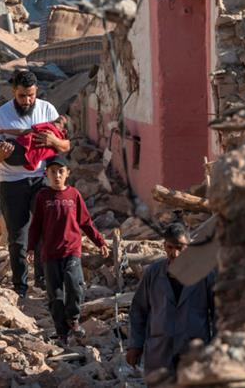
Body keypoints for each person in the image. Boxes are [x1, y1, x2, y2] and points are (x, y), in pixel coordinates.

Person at [0, 70, 70, 298]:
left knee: (47, 230)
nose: (27, 101)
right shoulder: (1, 116)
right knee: (17, 238)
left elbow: (65, 146)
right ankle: (20, 287)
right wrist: (1, 155)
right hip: (12, 182)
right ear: (13, 92)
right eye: (22, 96)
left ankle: (45, 282)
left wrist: (53, 140)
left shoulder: (47, 110)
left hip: (41, 179)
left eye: (31, 95)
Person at [27, 156, 109, 346]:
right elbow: (36, 226)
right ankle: (61, 332)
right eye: (53, 172)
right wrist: (30, 248)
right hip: (50, 254)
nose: (57, 175)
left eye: (61, 171)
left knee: (74, 284)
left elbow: (85, 222)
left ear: (67, 174)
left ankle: (73, 319)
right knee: (55, 296)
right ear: (46, 174)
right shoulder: (43, 197)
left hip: (71, 250)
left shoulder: (74, 195)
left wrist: (100, 242)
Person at [126, 222, 216, 380]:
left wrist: (217, 346)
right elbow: (139, 310)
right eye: (170, 247)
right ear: (164, 246)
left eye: (180, 247)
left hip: (193, 351)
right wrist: (135, 344)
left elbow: (218, 313)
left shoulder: (204, 274)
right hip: (160, 352)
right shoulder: (153, 273)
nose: (175, 253)